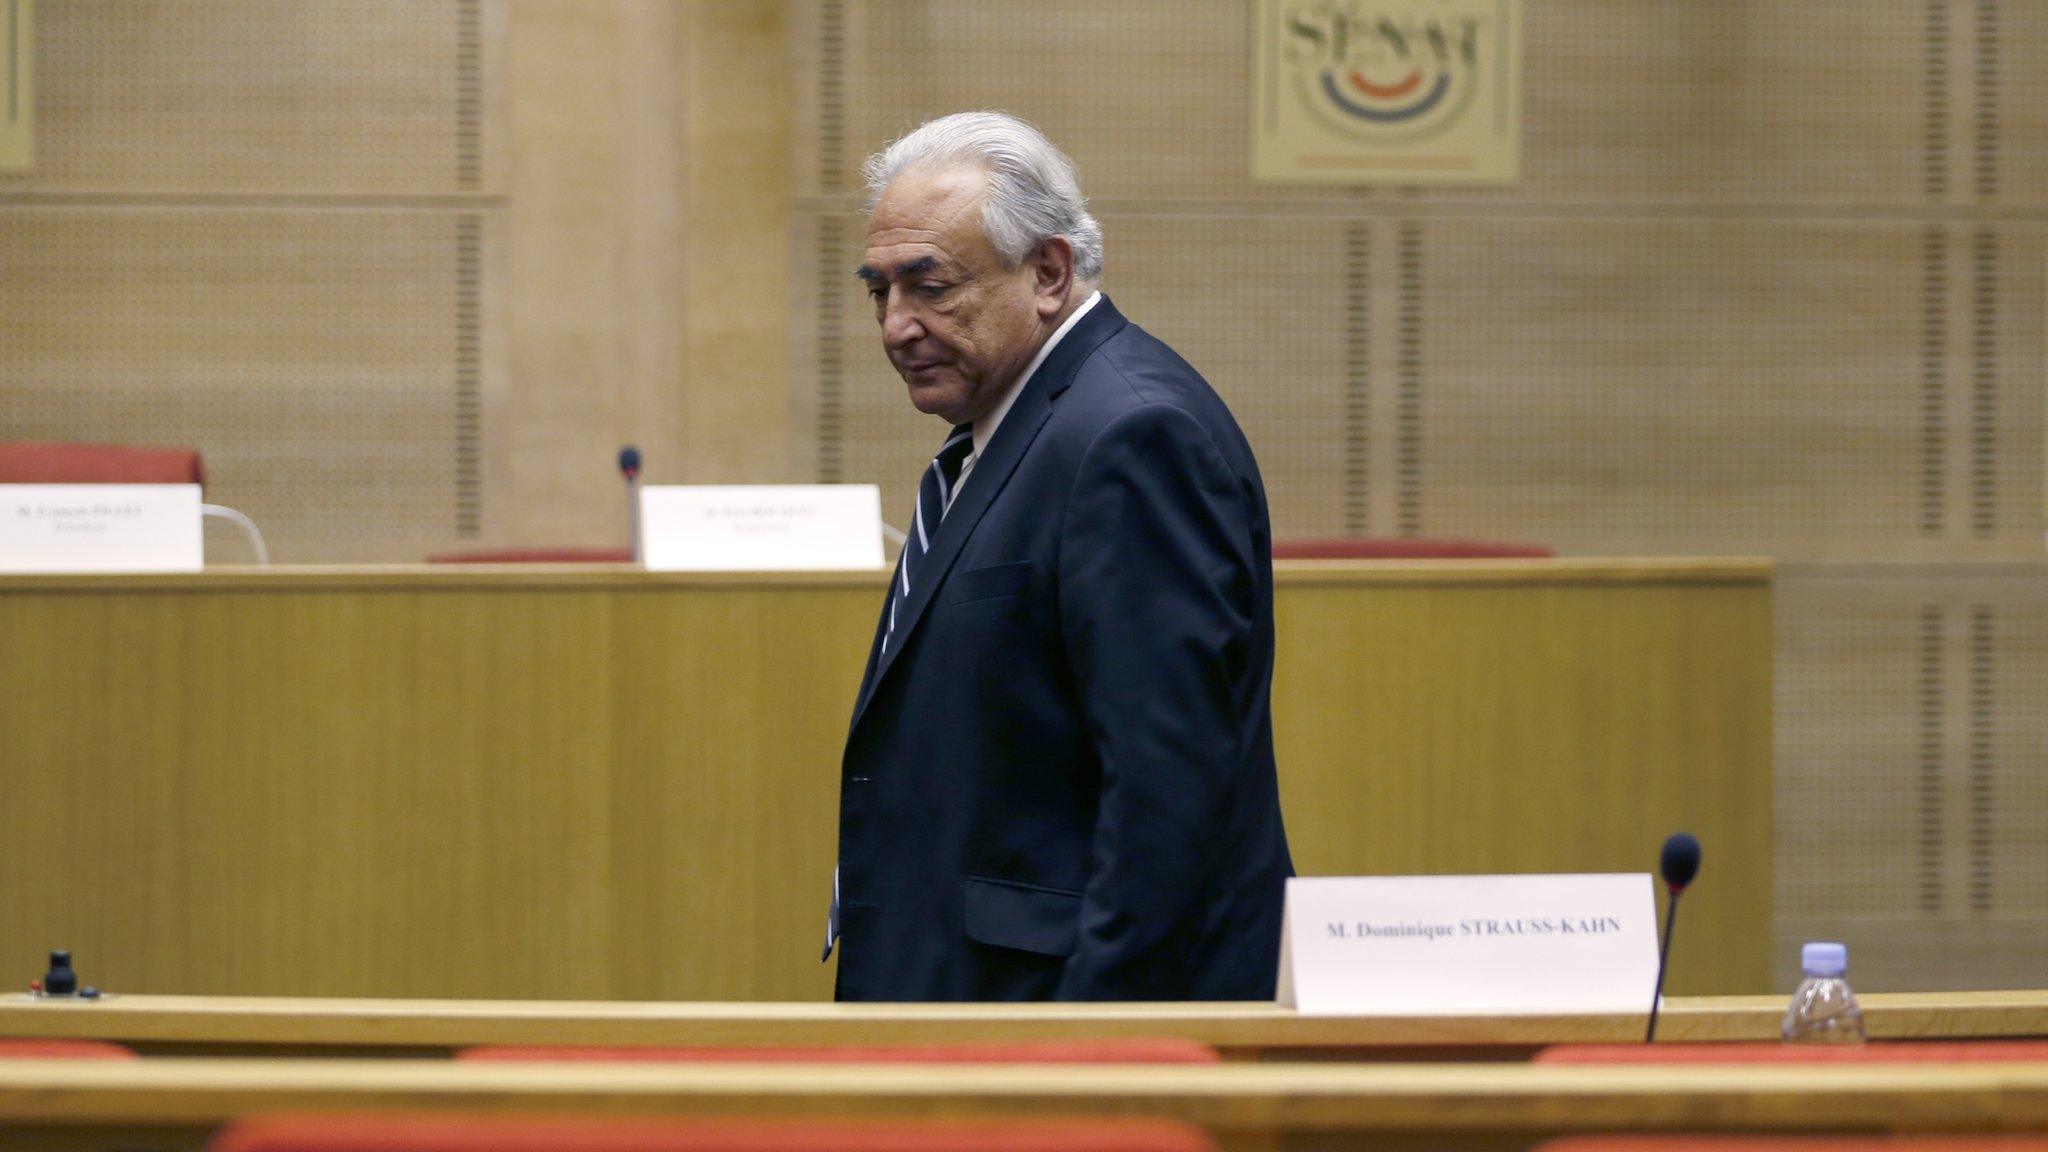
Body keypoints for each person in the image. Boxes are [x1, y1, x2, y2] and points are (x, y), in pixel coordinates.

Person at [828, 111, 1293, 1001]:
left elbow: (1168, 800)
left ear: (1047, 272)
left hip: (1071, 1010)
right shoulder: (1026, 428)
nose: (896, 326)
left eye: (929, 286)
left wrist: (1087, 1052)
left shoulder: (1132, 436)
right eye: (879, 291)